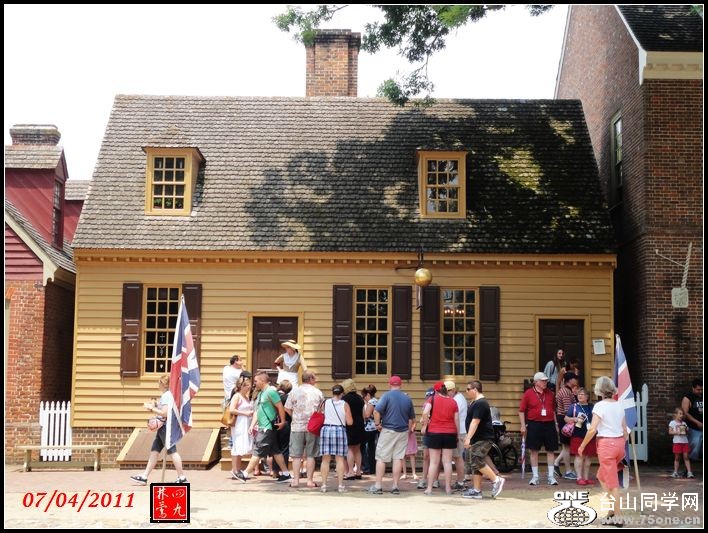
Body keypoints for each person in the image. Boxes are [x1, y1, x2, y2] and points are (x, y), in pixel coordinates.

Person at [578, 376, 628, 525]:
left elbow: (592, 429)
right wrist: (620, 442)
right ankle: (612, 511)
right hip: (619, 444)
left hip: (607, 445)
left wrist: (582, 445)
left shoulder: (600, 406)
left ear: (599, 390)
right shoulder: (619, 405)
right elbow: (625, 429)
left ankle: (618, 517)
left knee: (612, 484)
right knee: (601, 476)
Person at [232, 371, 292, 484]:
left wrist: (283, 421)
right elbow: (257, 411)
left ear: (262, 381)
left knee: (258, 450)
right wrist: (252, 425)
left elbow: (280, 407)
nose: (254, 383)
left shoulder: (271, 392)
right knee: (276, 451)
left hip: (267, 427)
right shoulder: (261, 393)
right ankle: (286, 474)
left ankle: (245, 474)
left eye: (256, 381)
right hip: (264, 426)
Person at [130, 374, 187, 485]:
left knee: (173, 451)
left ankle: (182, 477)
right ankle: (144, 477)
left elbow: (165, 413)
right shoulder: (169, 395)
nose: (158, 384)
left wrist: (152, 409)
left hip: (165, 427)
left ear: (163, 384)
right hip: (163, 427)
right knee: (154, 451)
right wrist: (155, 405)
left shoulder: (166, 395)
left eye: (159, 382)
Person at [368, 375, 416, 495]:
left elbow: (376, 411)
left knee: (381, 458)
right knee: (398, 458)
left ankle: (378, 486)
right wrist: (408, 430)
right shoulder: (407, 398)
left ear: (389, 384)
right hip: (403, 431)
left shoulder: (386, 396)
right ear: (401, 385)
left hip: (388, 430)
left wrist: (377, 424)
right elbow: (411, 418)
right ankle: (395, 486)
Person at [461, 380, 505, 499]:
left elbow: (475, 421)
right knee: (476, 462)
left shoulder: (481, 403)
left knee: (476, 459)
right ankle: (476, 490)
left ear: (475, 390)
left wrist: (468, 438)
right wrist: (469, 436)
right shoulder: (475, 402)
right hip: (477, 438)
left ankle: (496, 480)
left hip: (484, 438)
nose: (466, 391)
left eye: (468, 389)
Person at [284, 370, 324, 488]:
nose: (316, 379)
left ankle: (296, 481)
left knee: (296, 455)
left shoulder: (294, 391)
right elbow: (321, 410)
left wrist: (294, 416)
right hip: (312, 426)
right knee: (311, 455)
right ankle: (309, 481)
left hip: (297, 426)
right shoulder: (318, 392)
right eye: (314, 377)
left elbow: (287, 408)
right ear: (310, 378)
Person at [519, 372, 558, 486]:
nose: (545, 382)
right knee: (534, 450)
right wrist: (523, 425)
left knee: (551, 450)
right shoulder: (528, 393)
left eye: (546, 380)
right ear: (536, 382)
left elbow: (553, 410)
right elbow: (521, 411)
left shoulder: (550, 393)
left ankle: (551, 476)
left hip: (549, 424)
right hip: (534, 424)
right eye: (543, 381)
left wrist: (556, 423)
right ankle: (535, 476)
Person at [421, 381, 458, 496]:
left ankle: (429, 489)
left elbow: (425, 412)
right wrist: (456, 434)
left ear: (436, 391)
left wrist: (425, 425)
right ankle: (448, 488)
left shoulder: (432, 399)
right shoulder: (453, 401)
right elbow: (456, 419)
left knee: (434, 462)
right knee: (447, 462)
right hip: (450, 433)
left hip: (434, 432)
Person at [319, 384, 353, 493]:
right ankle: (340, 486)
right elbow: (350, 422)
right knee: (340, 459)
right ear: (342, 393)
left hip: (326, 429)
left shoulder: (325, 402)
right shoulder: (345, 404)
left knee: (325, 459)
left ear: (332, 392)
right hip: (339, 430)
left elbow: (321, 414)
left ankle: (324, 485)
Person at [565, 387, 596, 485]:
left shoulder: (592, 406)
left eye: (582, 394)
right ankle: (579, 477)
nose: (580, 396)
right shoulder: (573, 407)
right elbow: (566, 418)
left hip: (590, 435)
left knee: (588, 457)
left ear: (587, 396)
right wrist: (574, 419)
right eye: (578, 394)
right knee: (579, 456)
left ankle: (586, 478)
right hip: (577, 435)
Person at [554, 372, 579, 480]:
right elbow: (568, 410)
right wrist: (575, 419)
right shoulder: (565, 392)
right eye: (575, 378)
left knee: (566, 446)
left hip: (564, 419)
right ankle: (568, 471)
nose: (576, 381)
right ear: (570, 380)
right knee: (566, 447)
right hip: (565, 419)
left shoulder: (566, 390)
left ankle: (556, 463)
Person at [229, 376, 254, 478]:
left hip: (245, 423)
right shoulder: (237, 396)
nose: (249, 387)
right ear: (241, 386)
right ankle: (234, 470)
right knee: (237, 445)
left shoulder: (246, 397)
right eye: (247, 385)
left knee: (241, 446)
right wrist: (245, 413)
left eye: (249, 385)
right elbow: (232, 409)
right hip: (239, 423)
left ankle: (238, 469)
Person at [341, 378, 365, 479]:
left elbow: (343, 413)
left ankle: (350, 472)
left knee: (350, 448)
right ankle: (358, 471)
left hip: (349, 424)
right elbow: (363, 413)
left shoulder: (344, 399)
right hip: (360, 423)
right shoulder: (360, 398)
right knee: (357, 449)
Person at [681, 379, 703, 461]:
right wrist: (697, 422)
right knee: (693, 449)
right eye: (698, 389)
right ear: (693, 388)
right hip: (693, 427)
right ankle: (690, 466)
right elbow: (685, 413)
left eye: (702, 389)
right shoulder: (687, 398)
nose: (700, 391)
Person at [669, 407, 694, 479]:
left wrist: (687, 430)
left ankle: (689, 472)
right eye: (680, 414)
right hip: (677, 442)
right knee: (677, 458)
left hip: (685, 442)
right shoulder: (672, 423)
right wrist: (677, 432)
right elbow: (670, 432)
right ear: (675, 415)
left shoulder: (684, 423)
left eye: (682, 414)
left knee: (686, 457)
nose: (681, 415)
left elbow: (687, 432)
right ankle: (675, 472)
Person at [361, 385, 379, 475]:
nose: (364, 398)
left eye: (364, 396)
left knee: (363, 448)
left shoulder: (371, 402)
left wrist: (362, 411)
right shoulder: (377, 401)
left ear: (368, 394)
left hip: (369, 428)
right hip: (375, 428)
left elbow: (367, 415)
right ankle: (372, 468)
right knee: (372, 448)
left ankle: (366, 467)